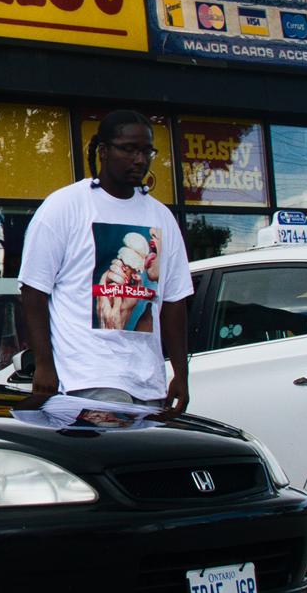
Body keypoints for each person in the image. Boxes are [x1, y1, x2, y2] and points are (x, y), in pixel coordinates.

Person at [17, 109, 192, 418]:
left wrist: (180, 372)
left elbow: (175, 301)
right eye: (128, 149)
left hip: (148, 383)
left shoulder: (161, 216)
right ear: (103, 151)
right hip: (86, 377)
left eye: (146, 150)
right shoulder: (66, 206)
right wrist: (44, 364)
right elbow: (34, 291)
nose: (139, 159)